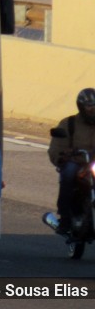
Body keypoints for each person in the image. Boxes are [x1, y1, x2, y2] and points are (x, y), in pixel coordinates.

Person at [48, 88, 95, 234]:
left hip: (93, 163)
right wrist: (62, 156)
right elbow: (56, 146)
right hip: (76, 161)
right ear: (81, 106)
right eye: (89, 106)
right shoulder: (69, 123)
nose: (92, 109)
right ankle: (65, 217)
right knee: (68, 173)